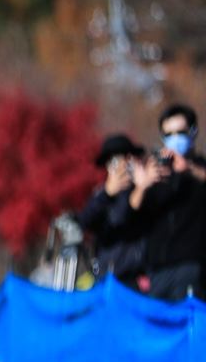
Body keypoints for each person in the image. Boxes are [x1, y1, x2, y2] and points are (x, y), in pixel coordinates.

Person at [125, 103, 206, 301]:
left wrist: (188, 169)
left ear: (193, 133)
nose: (175, 138)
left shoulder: (199, 169)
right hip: (157, 272)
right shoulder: (157, 174)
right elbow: (131, 216)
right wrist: (142, 185)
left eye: (181, 132)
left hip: (192, 267)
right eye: (169, 134)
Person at [78, 133, 146, 289]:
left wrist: (143, 187)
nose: (121, 167)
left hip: (138, 277)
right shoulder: (101, 196)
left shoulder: (145, 192)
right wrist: (107, 193)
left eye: (126, 160)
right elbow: (85, 221)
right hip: (108, 277)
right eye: (114, 162)